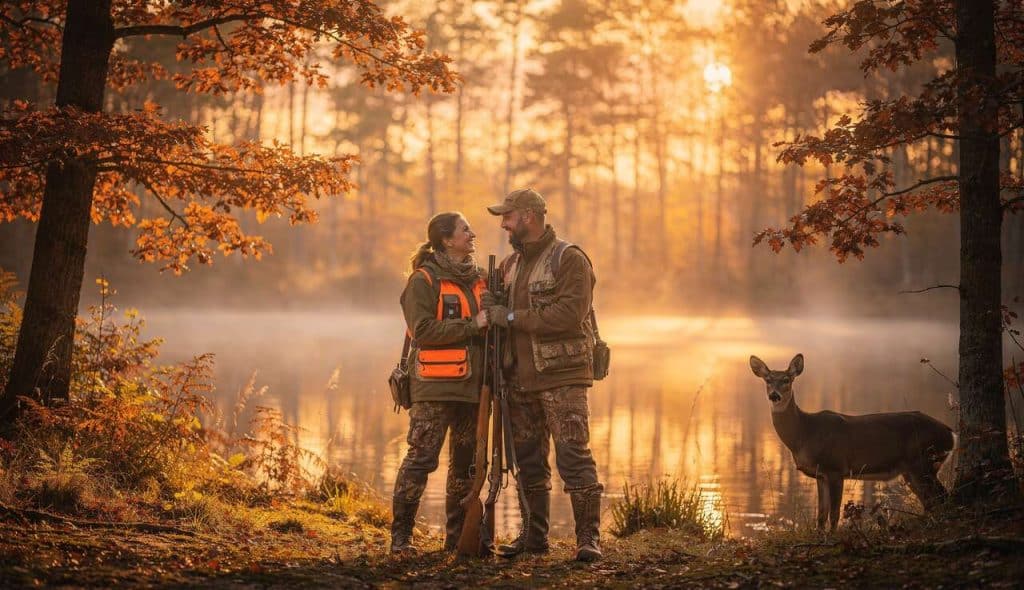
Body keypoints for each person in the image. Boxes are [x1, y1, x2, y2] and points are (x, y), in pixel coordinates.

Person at [482, 188, 604, 562]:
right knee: (529, 462)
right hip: (518, 381)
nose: (503, 224)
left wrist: (510, 316)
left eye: (508, 217)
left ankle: (588, 540)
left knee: (573, 457)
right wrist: (492, 305)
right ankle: (534, 538)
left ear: (529, 216)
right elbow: (498, 319)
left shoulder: (569, 259)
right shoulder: (509, 265)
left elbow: (569, 314)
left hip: (562, 378)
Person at [391, 212, 489, 554]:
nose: (472, 234)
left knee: (465, 467)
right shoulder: (423, 280)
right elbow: (422, 331)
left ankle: (457, 541)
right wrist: (473, 324)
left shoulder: (482, 278)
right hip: (433, 388)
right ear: (447, 240)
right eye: (465, 230)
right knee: (420, 461)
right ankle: (401, 538)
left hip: (473, 389)